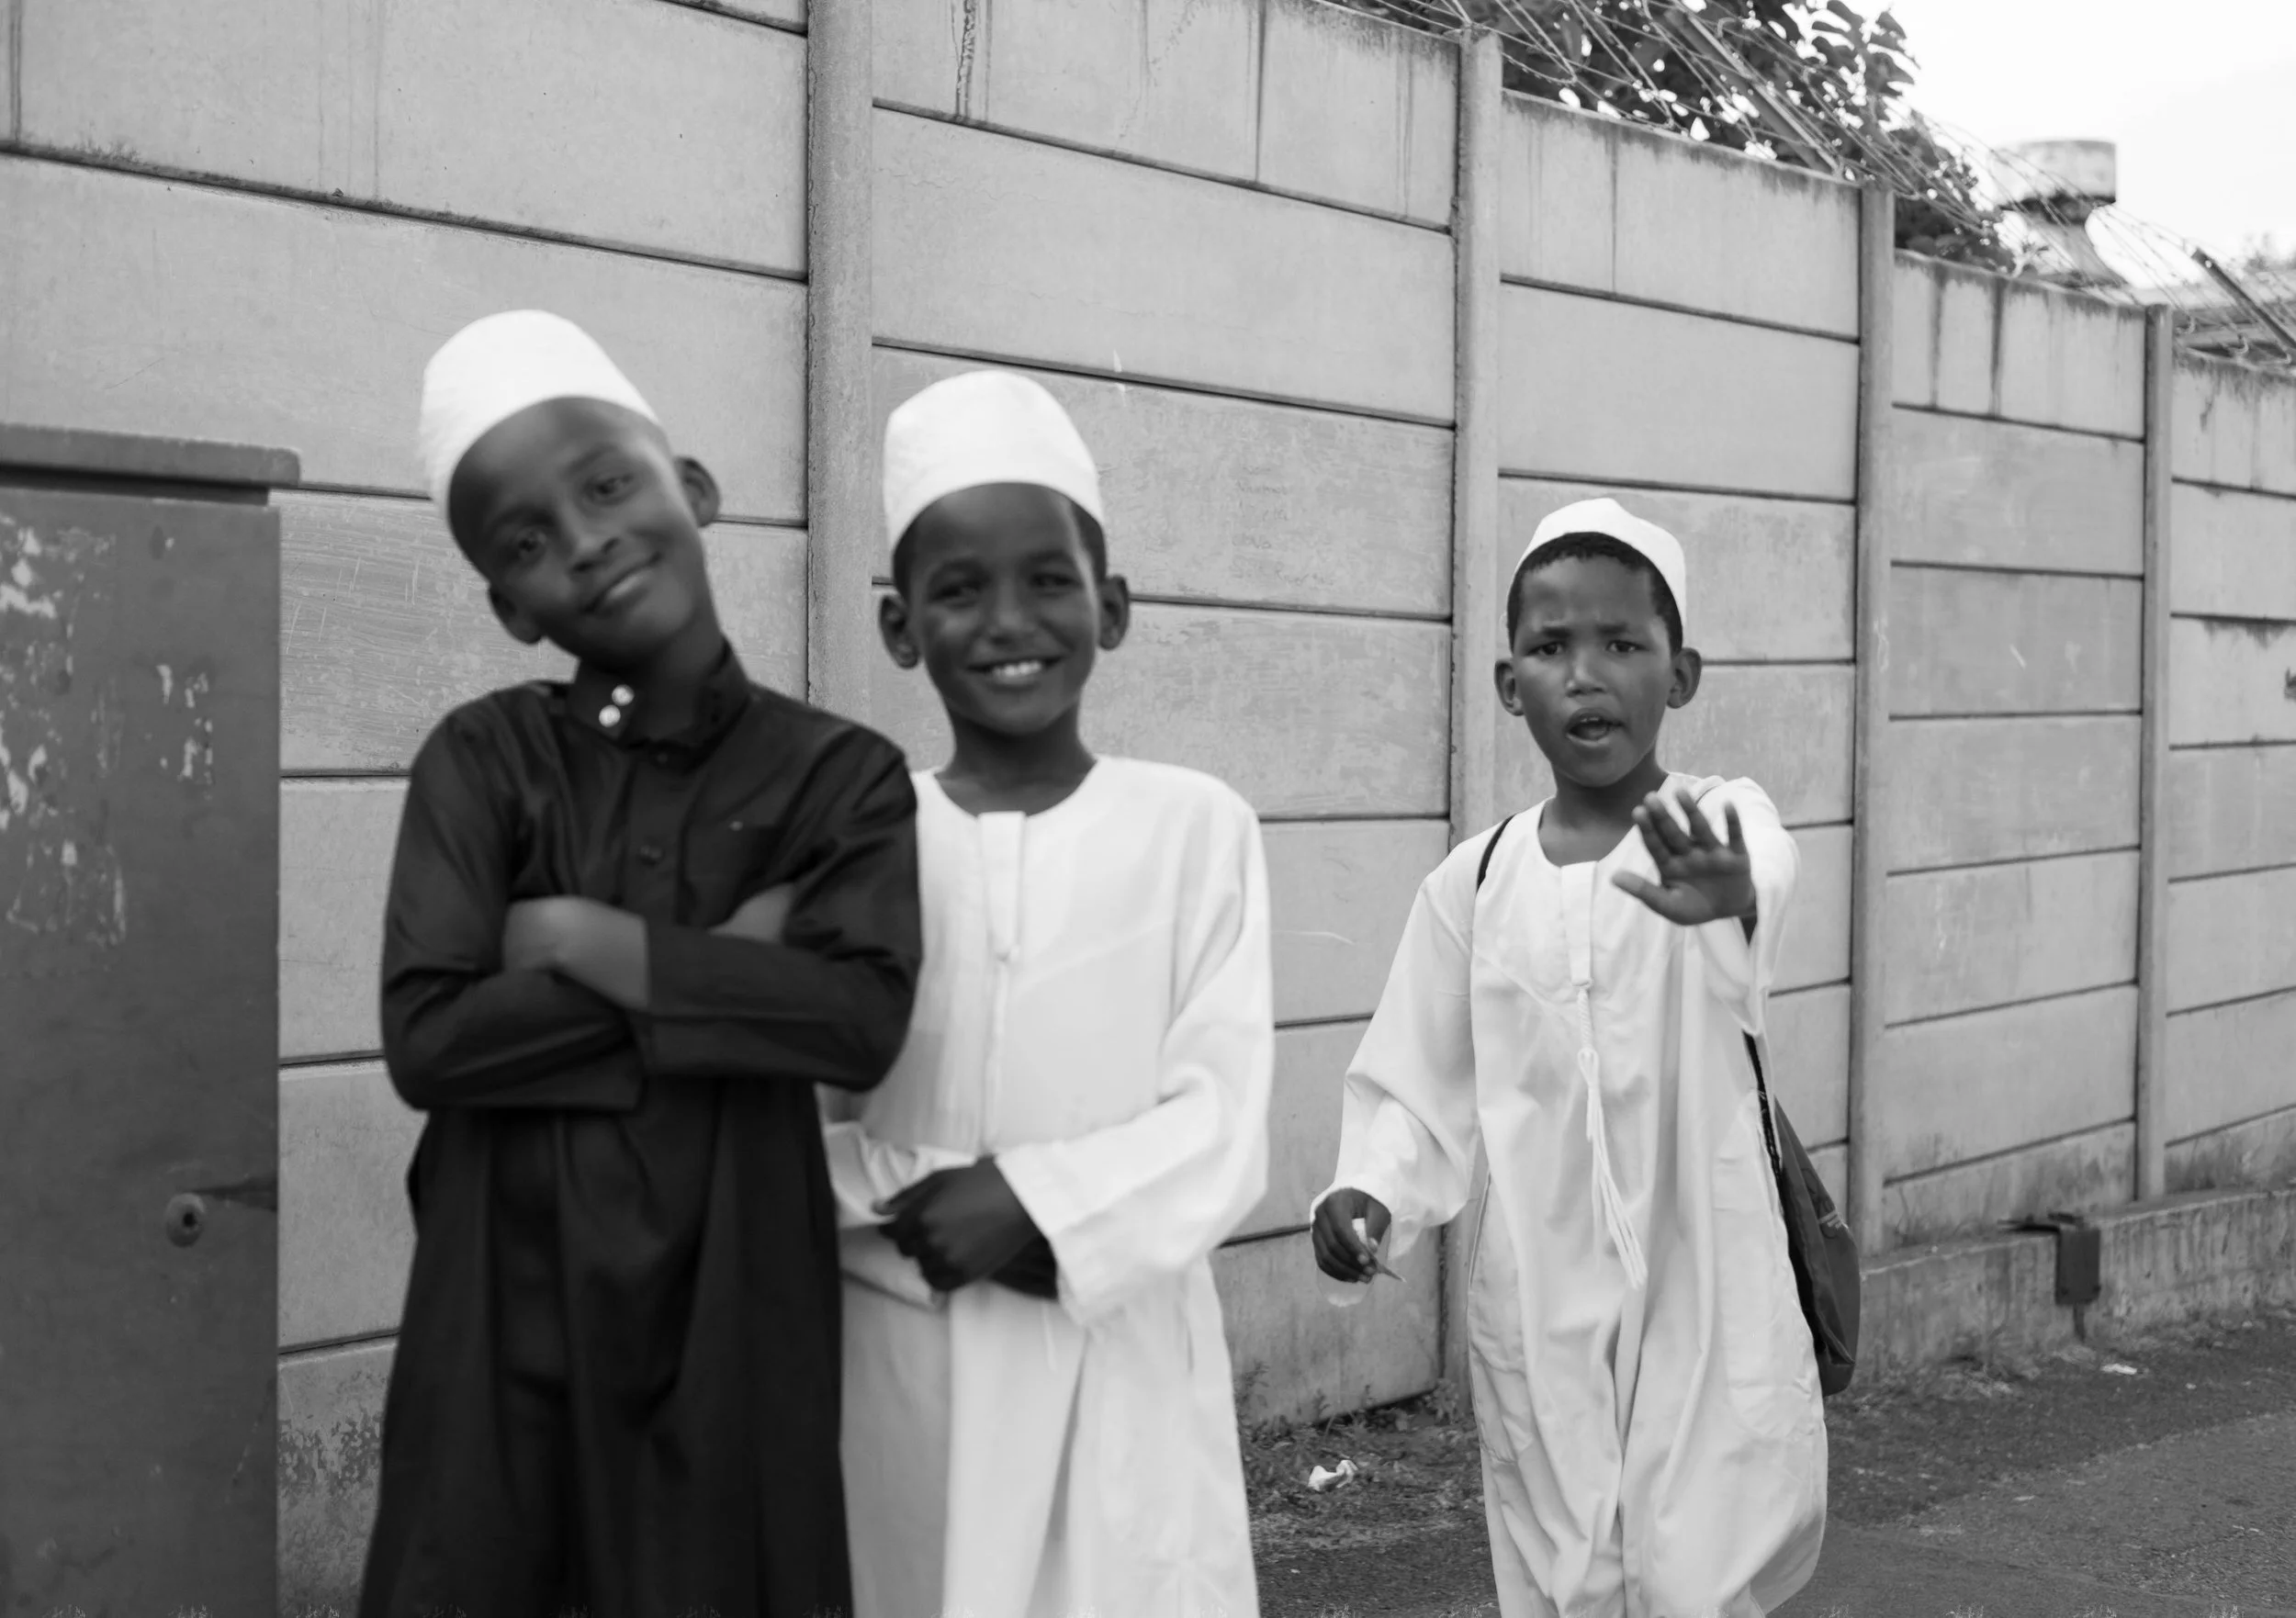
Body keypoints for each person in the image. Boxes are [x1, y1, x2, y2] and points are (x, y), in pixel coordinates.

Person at [360, 309, 922, 1618]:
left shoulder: (838, 775)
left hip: (738, 1309)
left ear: (693, 485)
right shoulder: (483, 759)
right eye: (529, 541)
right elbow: (430, 1039)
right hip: (500, 1310)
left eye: (609, 484)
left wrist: (583, 943)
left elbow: (855, 1021)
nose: (587, 539)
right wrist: (716, 970)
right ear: (510, 607)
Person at [1311, 498, 1826, 1617]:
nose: (1585, 676)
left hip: (1706, 1260)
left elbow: (1764, 869)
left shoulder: (1718, 819)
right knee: (1564, 1561)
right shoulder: (1476, 879)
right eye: (1551, 649)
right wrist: (1365, 1189)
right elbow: (1415, 1072)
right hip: (1540, 1287)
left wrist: (1733, 894)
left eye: (1621, 646)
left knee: (1702, 1560)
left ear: (1678, 674)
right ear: (1510, 685)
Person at [820, 369, 1273, 1618]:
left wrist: (1038, 1200)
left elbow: (1223, 1126)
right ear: (899, 624)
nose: (1008, 620)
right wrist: (924, 1204)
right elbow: (786, 1105)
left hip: (1118, 1349)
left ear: (1112, 607)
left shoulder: (1196, 828)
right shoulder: (857, 833)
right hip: (908, 1344)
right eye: (959, 589)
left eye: (1049, 581)